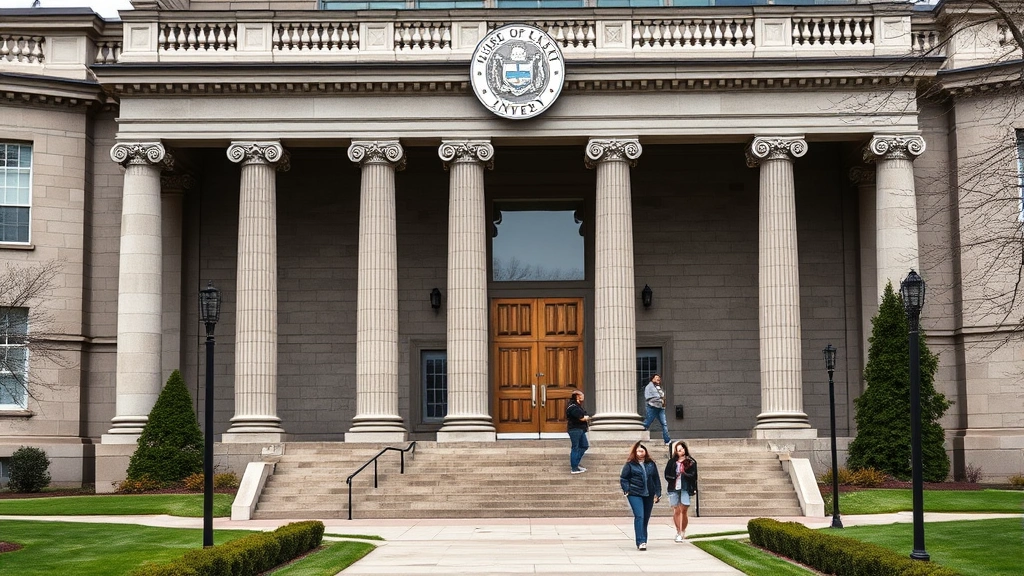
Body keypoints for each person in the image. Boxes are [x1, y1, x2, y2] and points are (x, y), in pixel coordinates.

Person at [620, 441, 662, 550]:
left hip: (649, 493)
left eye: (642, 451)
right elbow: (624, 478)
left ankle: (644, 539)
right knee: (639, 516)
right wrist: (626, 490)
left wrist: (658, 493)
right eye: (638, 451)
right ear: (634, 452)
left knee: (645, 518)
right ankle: (640, 541)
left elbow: (656, 479)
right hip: (634, 493)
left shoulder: (651, 464)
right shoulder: (630, 464)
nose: (640, 453)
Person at [664, 440, 697, 542]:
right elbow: (667, 475)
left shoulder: (691, 462)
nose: (681, 451)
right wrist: (674, 476)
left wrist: (685, 474)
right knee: (676, 510)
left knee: (684, 509)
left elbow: (694, 476)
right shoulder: (672, 462)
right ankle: (678, 531)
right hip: (673, 488)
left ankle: (683, 530)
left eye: (682, 449)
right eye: (678, 450)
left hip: (685, 488)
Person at [566, 389, 591, 474]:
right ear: (577, 396)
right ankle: (574, 468)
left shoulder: (578, 406)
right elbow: (581, 417)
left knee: (584, 445)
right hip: (575, 429)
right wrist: (586, 418)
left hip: (581, 429)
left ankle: (576, 463)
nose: (583, 396)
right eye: (582, 395)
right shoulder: (573, 406)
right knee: (575, 447)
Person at [642, 374, 671, 445]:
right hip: (652, 407)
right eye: (656, 377)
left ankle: (667, 440)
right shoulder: (649, 387)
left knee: (664, 424)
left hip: (661, 408)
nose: (658, 379)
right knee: (647, 423)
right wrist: (659, 399)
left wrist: (663, 402)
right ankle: (638, 435)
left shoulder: (659, 387)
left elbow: (662, 396)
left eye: (659, 378)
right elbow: (648, 397)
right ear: (652, 379)